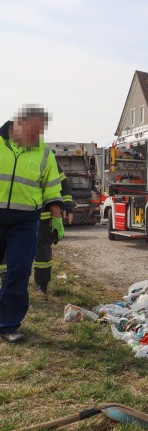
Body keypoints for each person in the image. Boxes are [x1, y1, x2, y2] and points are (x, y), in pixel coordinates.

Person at [0, 106, 64, 343]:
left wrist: (56, 217)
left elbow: (52, 187)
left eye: (40, 131)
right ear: (17, 124)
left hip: (25, 221)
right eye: (33, 130)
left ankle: (8, 325)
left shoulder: (44, 154)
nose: (36, 136)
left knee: (18, 272)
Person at [33, 161, 73, 294]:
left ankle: (41, 285)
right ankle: (9, 283)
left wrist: (67, 207)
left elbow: (62, 185)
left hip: (43, 217)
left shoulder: (44, 156)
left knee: (43, 253)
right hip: (15, 216)